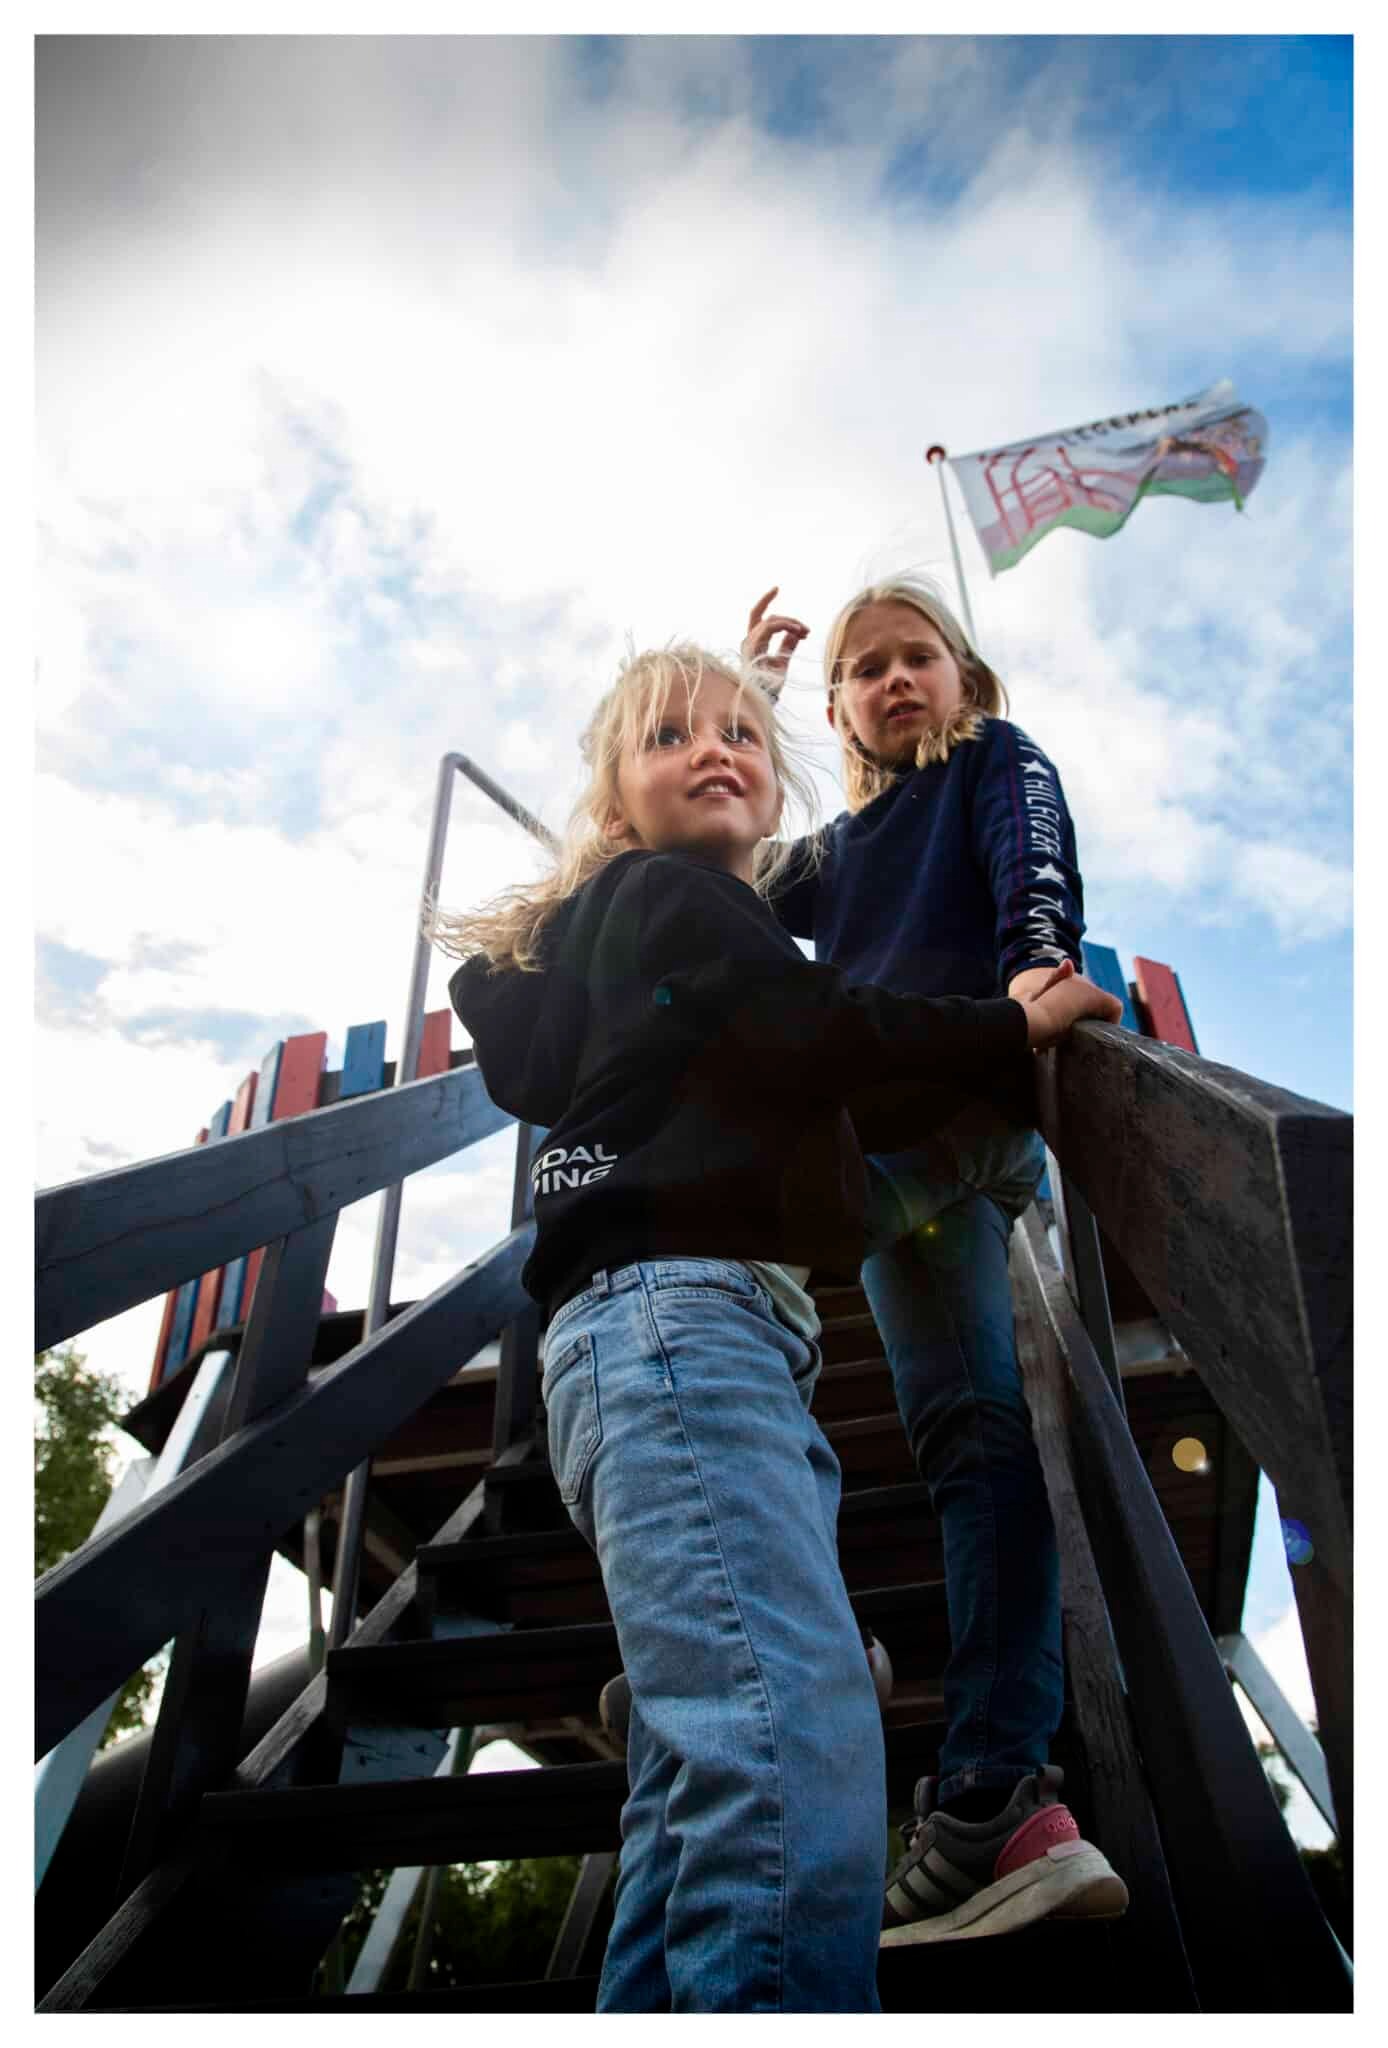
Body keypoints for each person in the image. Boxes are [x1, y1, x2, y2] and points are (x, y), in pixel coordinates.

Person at [435, 642, 1122, 2009]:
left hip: (673, 1335)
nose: (717, 749)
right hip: (681, 1328)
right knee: (790, 1724)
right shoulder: (670, 897)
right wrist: (1003, 1027)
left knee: (695, 1782)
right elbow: (815, 1021)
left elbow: (777, 997)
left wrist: (725, 707)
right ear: (613, 801)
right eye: (673, 738)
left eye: (743, 733)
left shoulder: (645, 941)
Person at [743, 576, 1131, 1942]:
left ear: (965, 679)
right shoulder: (840, 851)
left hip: (959, 1113)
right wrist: (750, 704)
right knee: (970, 1438)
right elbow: (722, 865)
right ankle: (1000, 1802)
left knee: (707, 1294)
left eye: (920, 656)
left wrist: (1036, 964)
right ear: (841, 706)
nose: (897, 678)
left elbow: (1033, 857)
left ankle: (755, 1643)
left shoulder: (991, 762)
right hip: (889, 1156)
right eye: (867, 668)